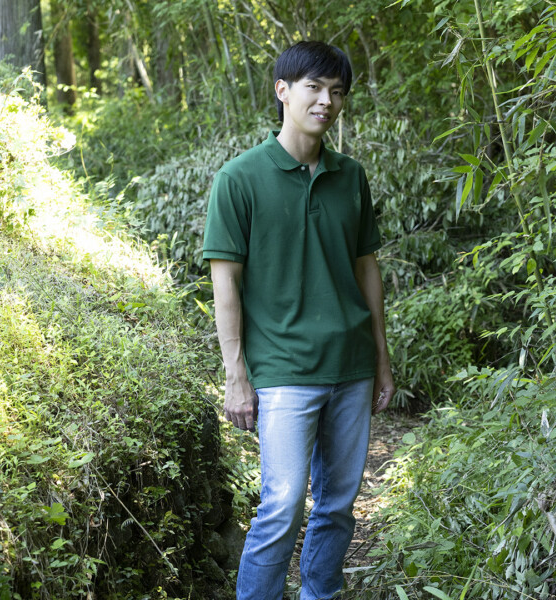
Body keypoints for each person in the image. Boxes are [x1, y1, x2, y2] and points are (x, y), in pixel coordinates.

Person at [202, 40, 394, 600]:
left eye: (337, 91)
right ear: (283, 91)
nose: (326, 101)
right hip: (283, 368)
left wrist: (382, 360)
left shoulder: (351, 176)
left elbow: (367, 269)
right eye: (314, 87)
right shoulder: (239, 178)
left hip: (351, 365)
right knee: (282, 504)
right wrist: (235, 373)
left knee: (337, 505)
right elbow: (225, 282)